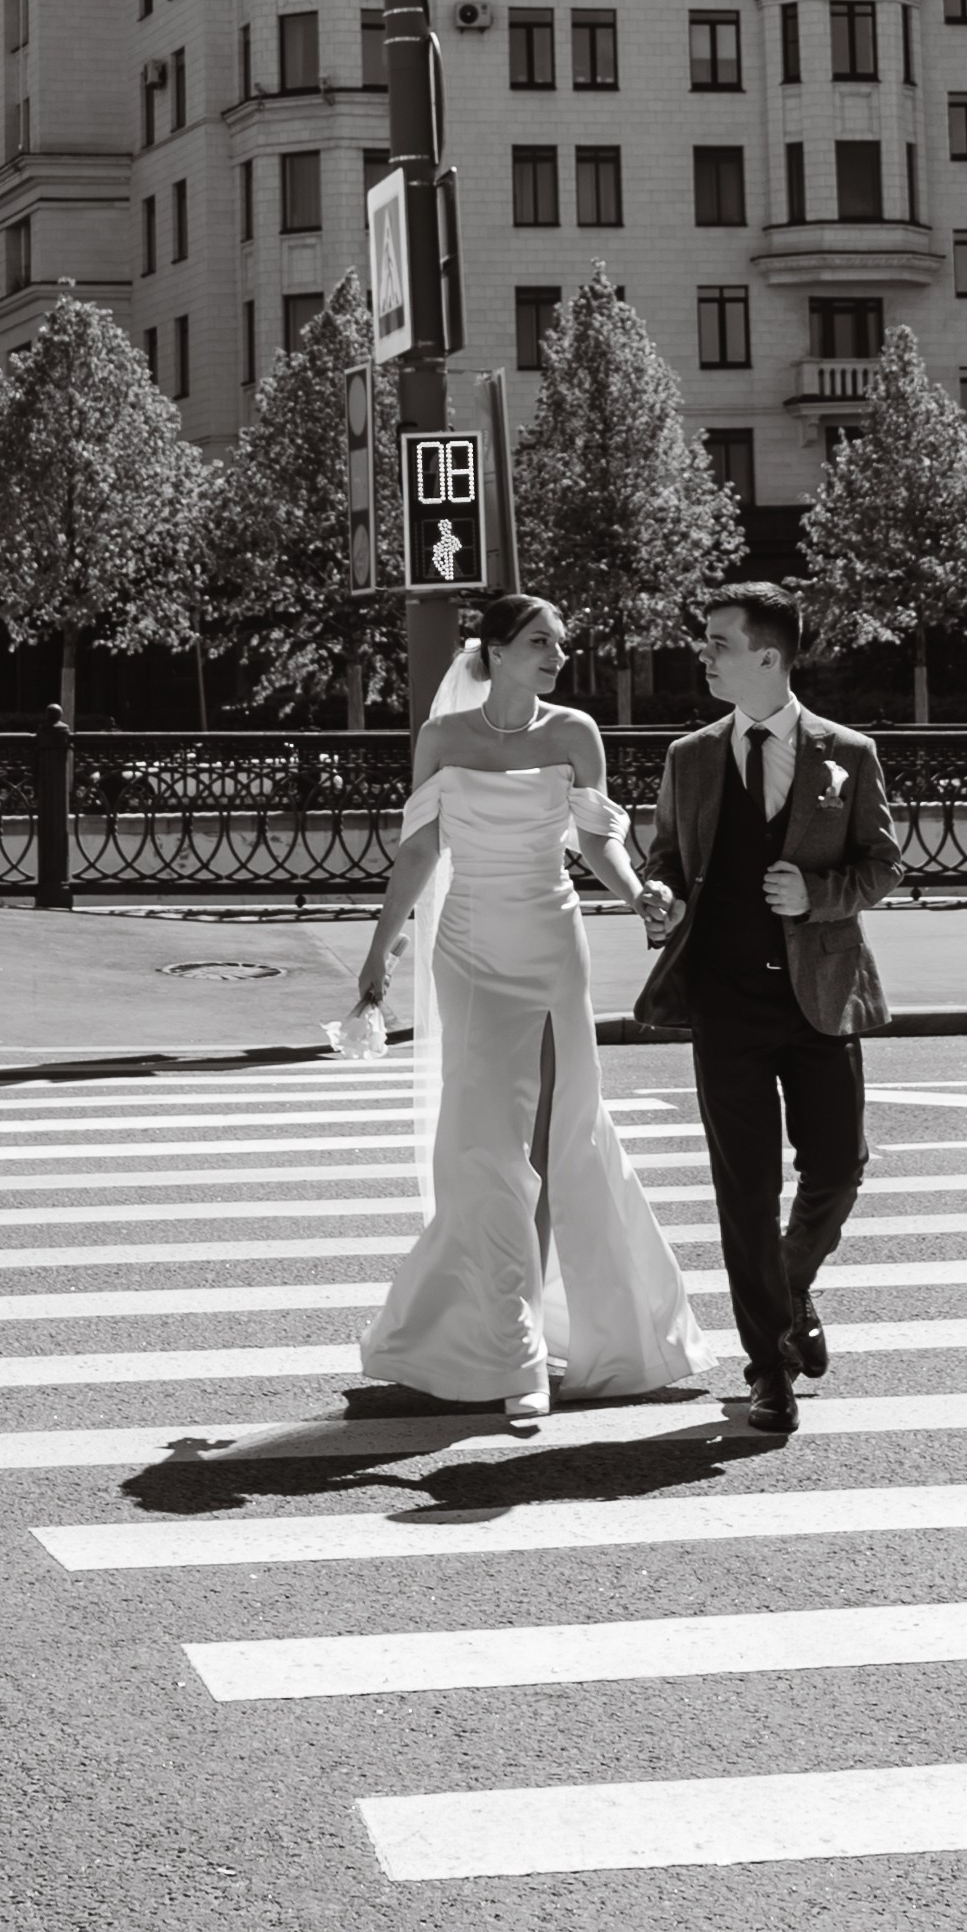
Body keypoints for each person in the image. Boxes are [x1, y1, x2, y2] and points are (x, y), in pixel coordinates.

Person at [350, 591, 713, 1419]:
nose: (557, 655)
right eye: (541, 642)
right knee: (485, 1146)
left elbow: (596, 837)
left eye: (561, 642)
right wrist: (378, 955)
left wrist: (636, 891)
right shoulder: (443, 739)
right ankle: (510, 1350)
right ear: (497, 650)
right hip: (469, 951)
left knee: (554, 1139)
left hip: (552, 943)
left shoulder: (575, 733)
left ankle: (538, 1345)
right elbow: (419, 852)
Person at [632, 580, 901, 1438]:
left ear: (768, 657)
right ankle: (768, 1367)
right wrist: (660, 896)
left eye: (717, 641)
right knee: (742, 1191)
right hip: (724, 1001)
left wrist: (816, 894)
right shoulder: (691, 757)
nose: (703, 653)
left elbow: (883, 866)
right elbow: (674, 858)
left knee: (838, 1165)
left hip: (820, 995)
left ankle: (790, 1284)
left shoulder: (846, 752)